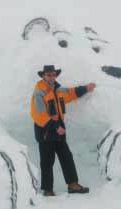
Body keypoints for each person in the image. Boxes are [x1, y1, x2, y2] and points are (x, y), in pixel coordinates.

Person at [30, 65, 96, 196]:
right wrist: (56, 127)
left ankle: (73, 185)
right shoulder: (39, 92)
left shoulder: (58, 90)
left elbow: (71, 93)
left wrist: (86, 88)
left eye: (53, 74)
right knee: (47, 161)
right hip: (46, 133)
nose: (51, 77)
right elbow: (39, 115)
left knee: (67, 157)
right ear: (43, 76)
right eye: (49, 75)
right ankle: (48, 190)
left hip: (59, 132)